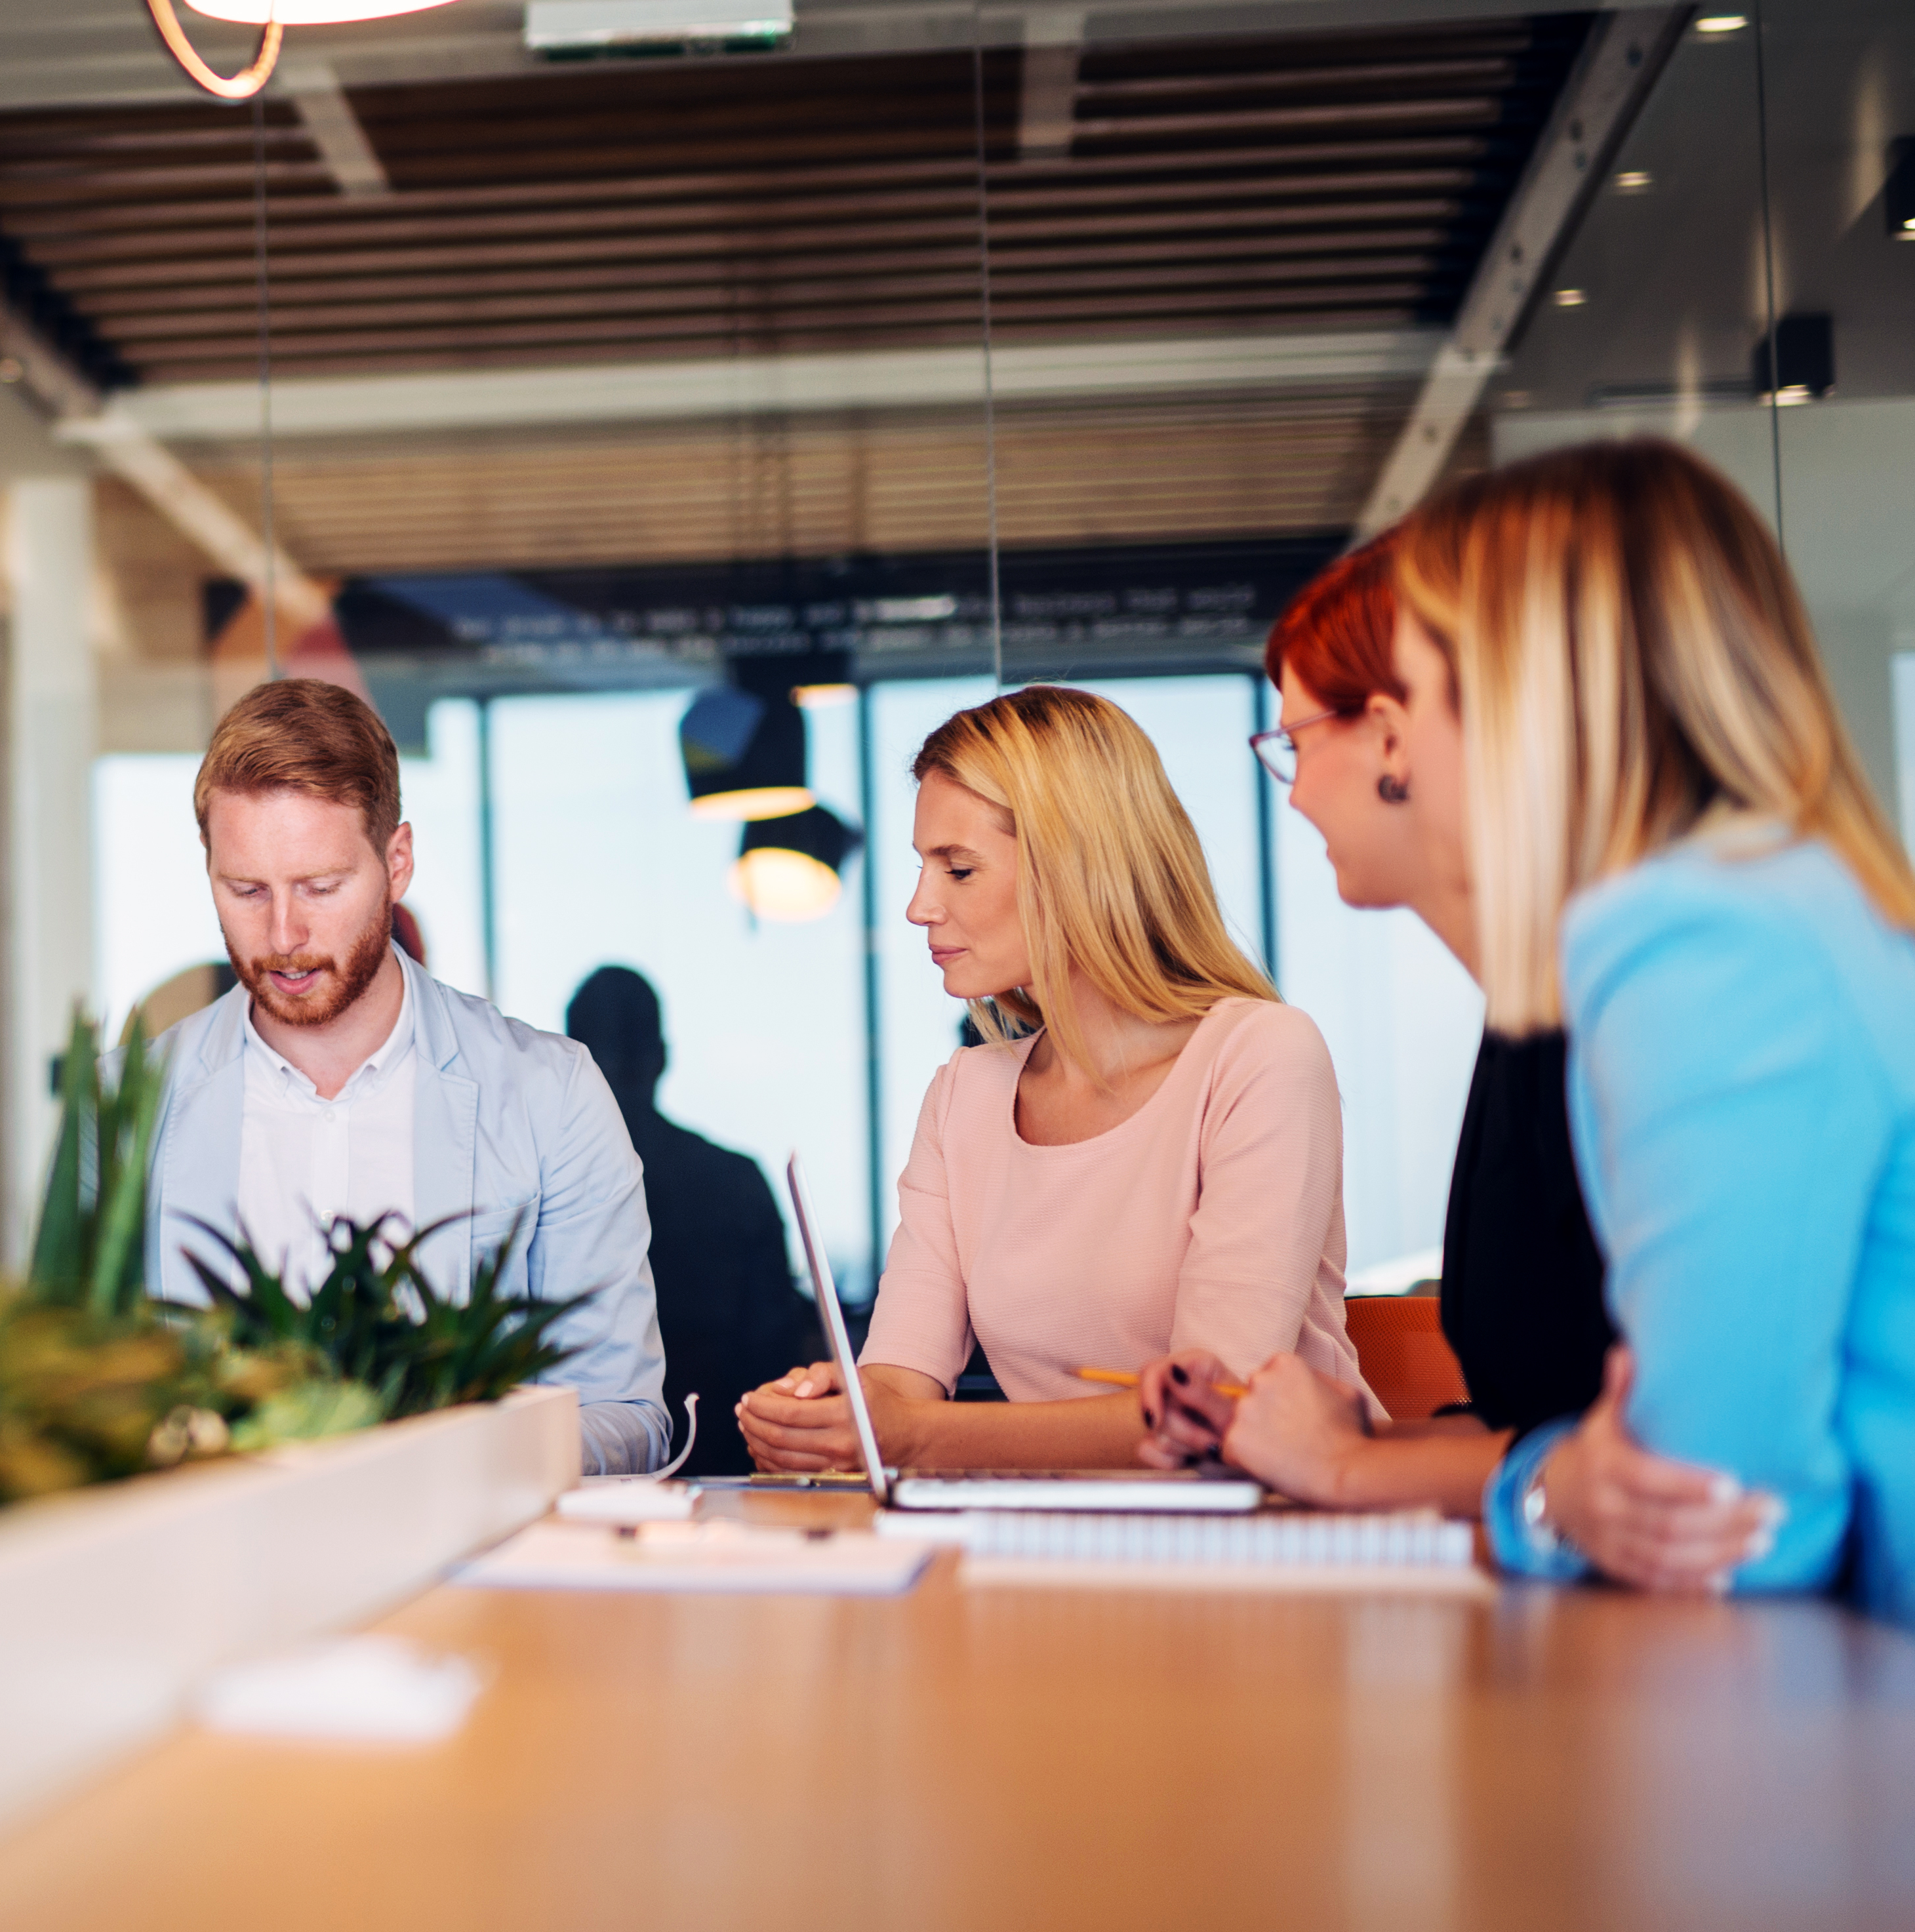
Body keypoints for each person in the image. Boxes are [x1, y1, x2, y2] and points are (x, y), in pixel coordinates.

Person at [1238, 443, 1911, 1614]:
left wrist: (1528, 1495)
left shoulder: (1693, 937)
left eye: (1425, 680)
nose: (1404, 734)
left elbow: (1718, 1516)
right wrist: (1564, 1475)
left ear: (1514, 692)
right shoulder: (1780, 902)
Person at [738, 685, 1367, 1473]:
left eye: (959, 869)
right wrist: (849, 1415)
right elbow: (901, 1375)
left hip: (1280, 1540)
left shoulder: (1262, 1056)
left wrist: (912, 1436)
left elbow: (1212, 1415)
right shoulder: (963, 1095)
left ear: (1078, 868)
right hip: (1063, 1539)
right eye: (922, 868)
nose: (917, 907)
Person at [1136, 545, 1611, 1517]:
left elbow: (1680, 1475)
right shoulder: (1522, 1019)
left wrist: (1352, 1465)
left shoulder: (1621, 1010)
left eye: (1297, 746)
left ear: (1391, 739)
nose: (1296, 793)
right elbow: (1548, 1424)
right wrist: (1350, 1436)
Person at [140, 679, 668, 1475]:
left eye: (321, 887)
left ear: (398, 862)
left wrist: (457, 1460)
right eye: (246, 890)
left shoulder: (551, 1093)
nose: (284, 935)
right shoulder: (131, 1106)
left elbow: (629, 1417)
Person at [563, 965, 812, 1475]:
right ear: (661, 1057)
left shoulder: (546, 1192)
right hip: (732, 1466)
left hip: (583, 1474)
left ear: (570, 1059)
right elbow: (777, 1359)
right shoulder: (736, 1180)